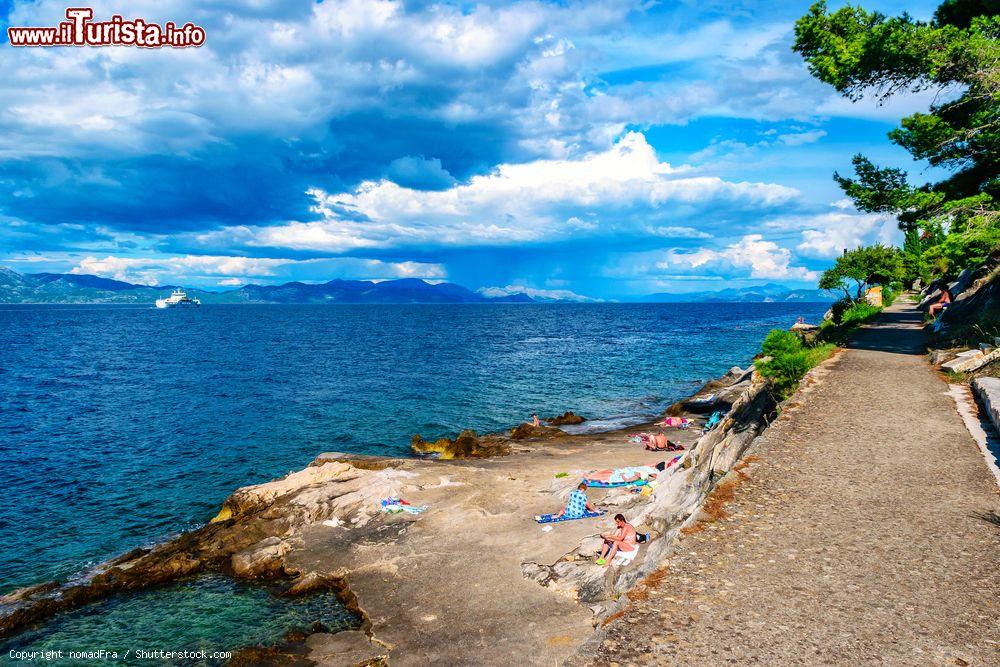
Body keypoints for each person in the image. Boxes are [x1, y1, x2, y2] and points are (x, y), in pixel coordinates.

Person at [584, 462, 665, 484]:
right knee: (611, 471)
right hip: (628, 471)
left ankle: (590, 477)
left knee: (608, 475)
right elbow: (655, 464)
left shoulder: (650, 470)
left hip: (627, 473)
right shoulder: (649, 468)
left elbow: (656, 476)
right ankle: (593, 475)